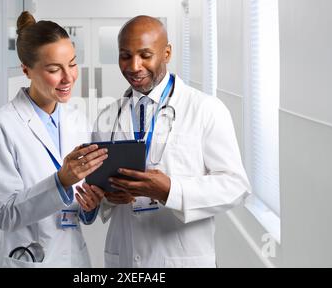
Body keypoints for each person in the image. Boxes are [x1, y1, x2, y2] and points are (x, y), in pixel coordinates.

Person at [92, 15, 251, 268]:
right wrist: (109, 196)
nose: (134, 66)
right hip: (125, 259)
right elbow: (97, 191)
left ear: (166, 53)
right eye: (125, 55)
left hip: (182, 258)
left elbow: (235, 186)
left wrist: (169, 190)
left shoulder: (206, 109)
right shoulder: (107, 118)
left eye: (145, 55)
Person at [0, 11, 107, 268]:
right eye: (54, 69)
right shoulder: (1, 124)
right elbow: (6, 215)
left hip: (72, 256)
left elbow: (79, 205)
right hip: (25, 256)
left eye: (72, 64)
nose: (68, 77)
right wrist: (61, 181)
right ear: (26, 70)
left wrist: (89, 206)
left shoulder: (78, 120)